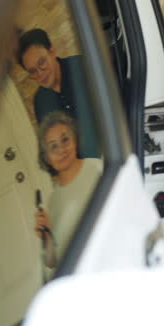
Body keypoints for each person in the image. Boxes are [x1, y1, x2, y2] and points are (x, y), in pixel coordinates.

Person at [34, 111, 103, 269]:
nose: (61, 150)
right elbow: (53, 262)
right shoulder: (53, 202)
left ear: (75, 140)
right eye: (53, 146)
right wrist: (46, 239)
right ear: (47, 158)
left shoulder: (98, 168)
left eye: (65, 139)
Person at [18, 28, 99, 158]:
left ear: (52, 51)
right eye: (33, 71)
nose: (40, 74)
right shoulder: (40, 102)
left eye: (42, 62)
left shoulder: (84, 68)